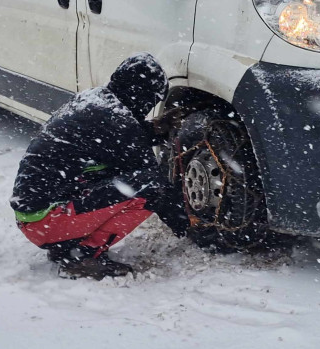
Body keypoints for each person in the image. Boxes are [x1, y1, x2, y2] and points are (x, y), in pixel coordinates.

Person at [10, 53, 189, 280]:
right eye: (151, 101)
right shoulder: (119, 124)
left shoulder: (95, 101)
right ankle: (79, 257)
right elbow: (154, 181)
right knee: (151, 188)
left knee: (128, 181)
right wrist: (191, 225)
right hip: (47, 220)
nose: (149, 107)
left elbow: (114, 140)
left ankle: (66, 245)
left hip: (33, 215)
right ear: (140, 95)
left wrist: (155, 130)